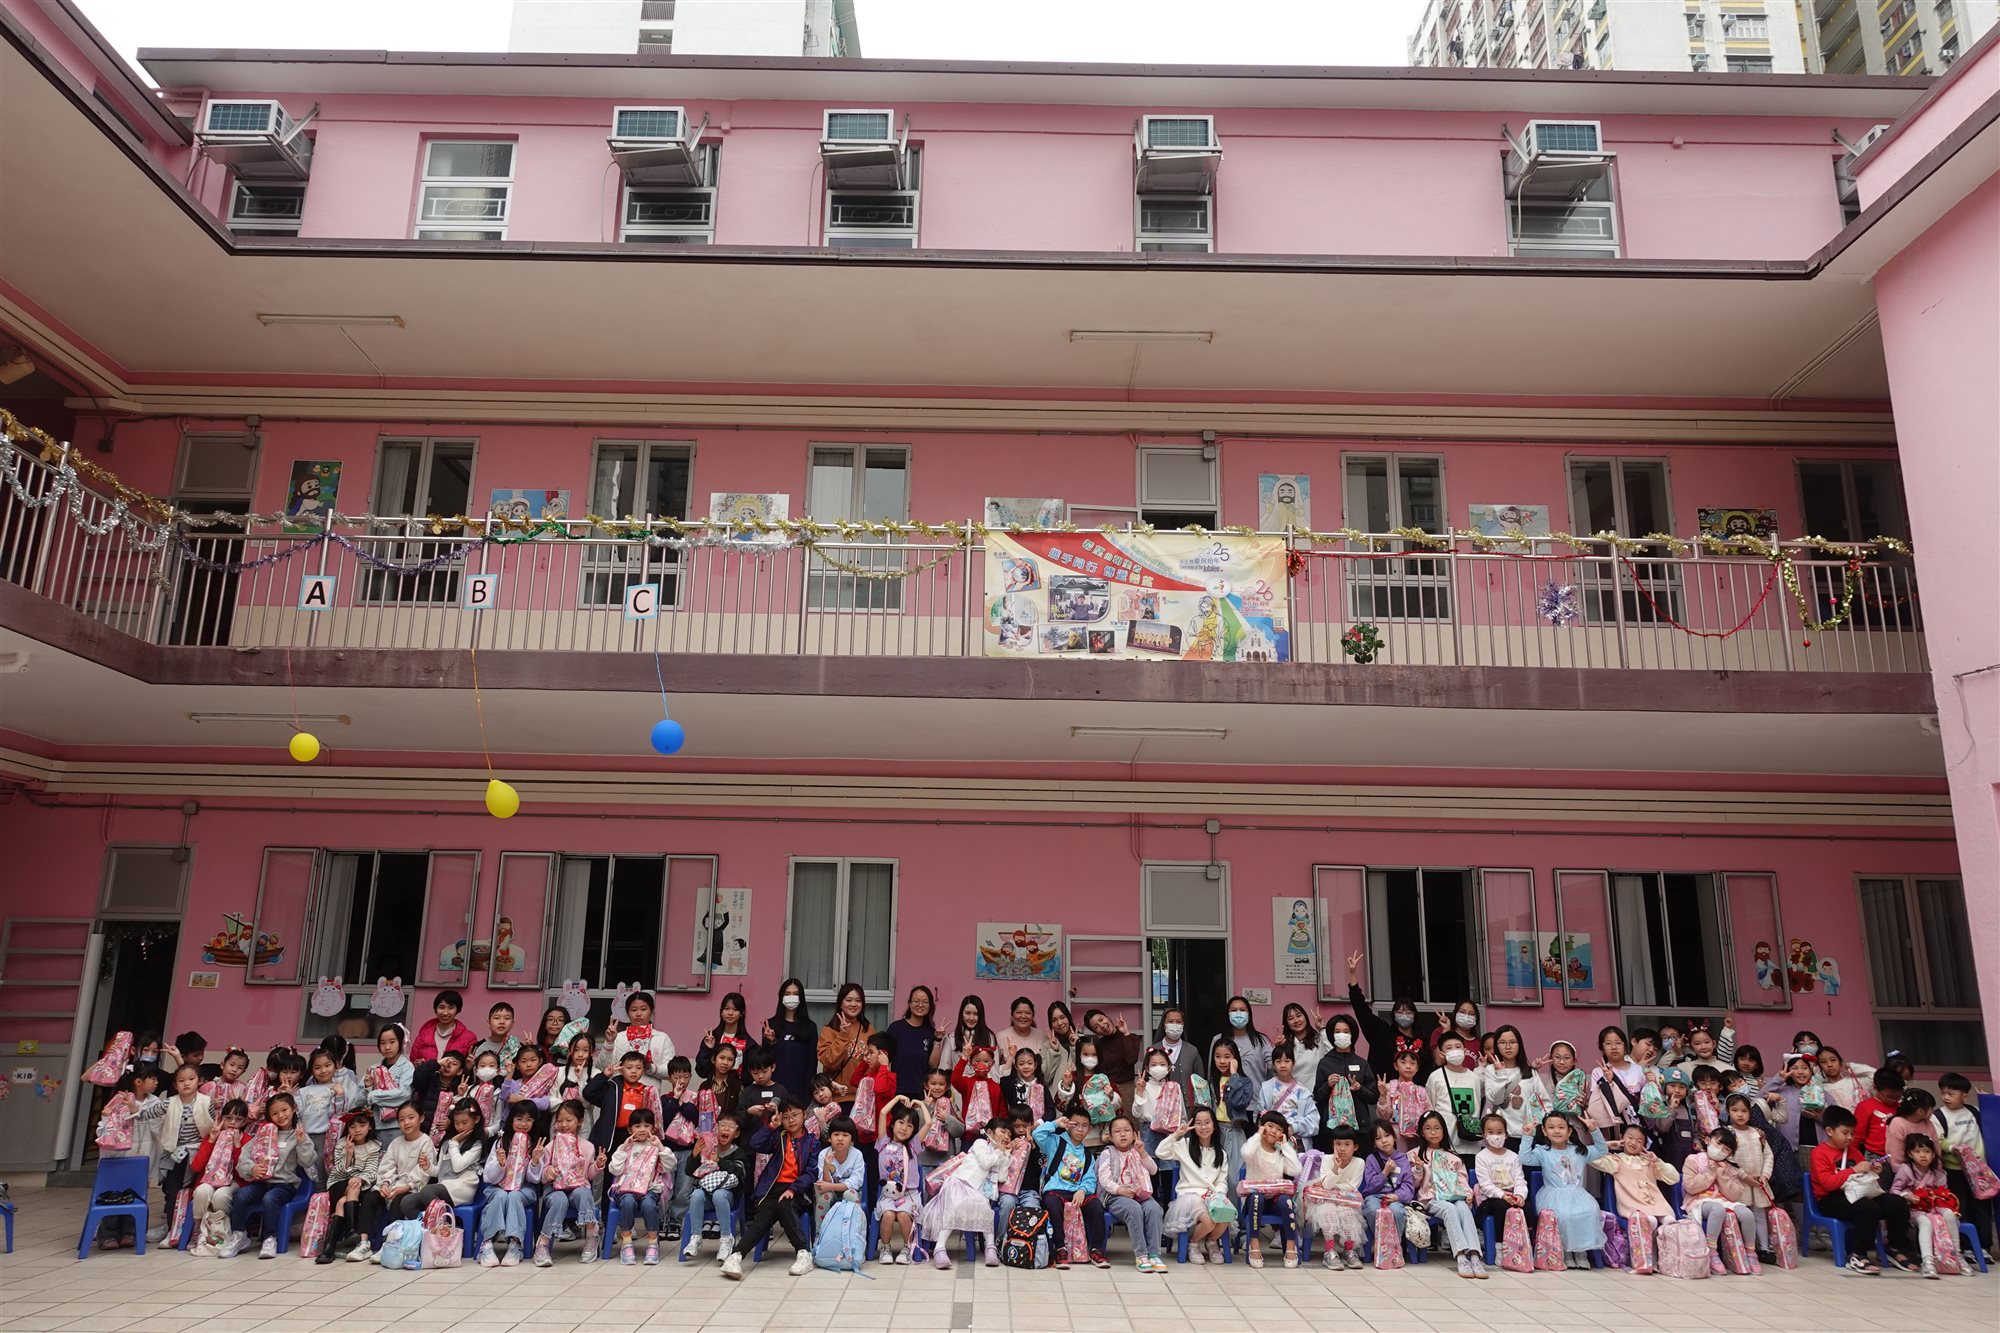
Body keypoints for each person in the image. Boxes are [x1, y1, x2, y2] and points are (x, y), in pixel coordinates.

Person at [1810, 1105, 1917, 1274]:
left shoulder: (1854, 1152)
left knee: (1897, 1203)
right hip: (1830, 1199)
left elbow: (1866, 1182)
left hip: (1858, 1194)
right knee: (1868, 1207)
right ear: (1829, 1131)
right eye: (1845, 1133)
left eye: (1852, 1133)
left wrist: (1874, 1172)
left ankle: (1894, 1247)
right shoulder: (1819, 1153)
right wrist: (1853, 1170)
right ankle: (1857, 1254)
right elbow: (1827, 1183)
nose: (1850, 1137)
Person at [726, 1098, 819, 1279]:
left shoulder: (812, 1142)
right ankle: (736, 1256)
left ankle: (803, 1253)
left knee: (785, 1205)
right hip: (772, 1189)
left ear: (804, 1115)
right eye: (786, 1117)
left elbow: (811, 1172)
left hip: (798, 1190)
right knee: (762, 1218)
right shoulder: (779, 1137)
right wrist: (771, 1126)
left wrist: (793, 1189)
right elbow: (755, 1144)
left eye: (795, 1115)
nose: (791, 1120)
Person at [217, 1091, 316, 1259]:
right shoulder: (264, 1133)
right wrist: (252, 1169)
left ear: (294, 1109)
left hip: (284, 1184)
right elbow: (244, 1158)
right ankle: (239, 1235)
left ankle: (270, 1238)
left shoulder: (299, 1134)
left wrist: (301, 1142)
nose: (281, 1116)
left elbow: (307, 1161)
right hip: (261, 1183)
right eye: (275, 1113)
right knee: (241, 1195)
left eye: (284, 1110)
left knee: (270, 1199)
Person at [1517, 1109, 1610, 1269]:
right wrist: (1527, 1136)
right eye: (1551, 1127)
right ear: (1544, 1131)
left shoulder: (1579, 1150)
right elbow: (1524, 1159)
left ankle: (1581, 1252)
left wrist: (1594, 1130)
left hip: (1577, 1195)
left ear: (1569, 1131)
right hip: (1553, 1195)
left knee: (1589, 1211)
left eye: (1561, 1127)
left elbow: (1602, 1150)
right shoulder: (1542, 1151)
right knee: (1563, 1215)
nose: (1557, 1131)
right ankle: (1565, 1251)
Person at [922, 1116, 1012, 1269]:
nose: (1006, 1137)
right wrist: (999, 1152)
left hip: (979, 1192)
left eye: (1009, 1134)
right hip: (960, 1183)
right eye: (1003, 1132)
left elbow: (1002, 1177)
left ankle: (990, 1249)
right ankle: (939, 1248)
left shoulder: (1000, 1153)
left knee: (986, 1210)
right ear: (990, 1132)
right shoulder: (980, 1143)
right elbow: (986, 1162)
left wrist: (1006, 1156)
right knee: (955, 1208)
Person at [92, 1065, 164, 1248]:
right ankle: (108, 1233)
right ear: (138, 1082)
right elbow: (106, 1129)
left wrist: (137, 1111)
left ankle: (130, 1232)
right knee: (114, 1194)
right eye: (152, 1078)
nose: (156, 1082)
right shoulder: (119, 1100)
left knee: (136, 1195)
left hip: (143, 1158)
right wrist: (107, 1117)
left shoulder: (155, 1102)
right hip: (118, 1159)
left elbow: (159, 1129)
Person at [351, 1103, 432, 1262]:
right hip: (393, 1186)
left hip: (413, 1188)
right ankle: (364, 1243)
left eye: (411, 1118)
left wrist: (406, 1187)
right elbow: (387, 1165)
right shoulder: (396, 1143)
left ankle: (390, 1244)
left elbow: (423, 1172)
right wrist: (385, 1184)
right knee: (369, 1198)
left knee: (399, 1202)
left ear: (421, 1118)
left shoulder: (425, 1142)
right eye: (401, 1119)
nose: (406, 1123)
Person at [533, 1099, 607, 1266]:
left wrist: (598, 1165)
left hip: (577, 1188)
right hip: (555, 1190)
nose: (564, 1125)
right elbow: (542, 1177)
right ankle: (543, 1243)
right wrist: (548, 1172)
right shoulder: (550, 1147)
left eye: (569, 1120)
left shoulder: (587, 1147)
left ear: (579, 1122)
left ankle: (591, 1234)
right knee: (560, 1200)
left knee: (582, 1192)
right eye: (560, 1121)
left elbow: (588, 1175)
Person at [1341, 950, 1435, 1079]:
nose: (1404, 1016)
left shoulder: (1423, 1040)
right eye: (1400, 1012)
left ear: (1415, 1015)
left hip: (1416, 1090)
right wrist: (1352, 975)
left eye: (1408, 1012)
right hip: (1383, 1088)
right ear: (1393, 1015)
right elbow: (1362, 1010)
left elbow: (1431, 1068)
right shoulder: (1382, 1033)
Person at [1034, 1110, 1109, 1270]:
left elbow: (1090, 1179)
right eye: (1075, 1125)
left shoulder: (1088, 1156)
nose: (1080, 1129)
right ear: (1068, 1125)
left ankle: (1096, 1250)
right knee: (1052, 1204)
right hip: (1055, 1190)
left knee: (1096, 1205)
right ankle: (1060, 1249)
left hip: (1077, 1193)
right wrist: (1056, 1124)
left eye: (1084, 1126)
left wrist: (1082, 1190)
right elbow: (1037, 1134)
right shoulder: (1055, 1142)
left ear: (1089, 1129)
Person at [1158, 1107, 1232, 1264]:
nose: (1203, 1127)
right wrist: (1176, 1135)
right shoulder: (1185, 1145)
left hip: (1212, 1195)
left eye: (1207, 1122)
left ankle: (1211, 1242)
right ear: (1193, 1126)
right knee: (1208, 1221)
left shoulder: (1221, 1153)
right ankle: (1193, 1243)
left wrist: (1219, 1194)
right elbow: (1160, 1152)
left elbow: (1221, 1180)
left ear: (1214, 1125)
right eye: (1198, 1123)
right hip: (1189, 1196)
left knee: (1225, 1217)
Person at [1683, 1127, 1761, 1274]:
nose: (1720, 1150)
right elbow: (1690, 1187)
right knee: (1717, 1210)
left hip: (1724, 1201)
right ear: (1708, 1140)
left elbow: (1735, 1195)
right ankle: (1712, 1252)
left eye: (1726, 1149)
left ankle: (1751, 1252)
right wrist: (1710, 1174)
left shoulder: (1729, 1168)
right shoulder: (1693, 1160)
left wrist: (1721, 1176)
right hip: (1699, 1201)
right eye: (1718, 1144)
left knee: (1747, 1214)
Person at [476, 1101, 543, 1267]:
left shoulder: (536, 1145)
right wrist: (500, 1164)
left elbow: (535, 1179)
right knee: (500, 1195)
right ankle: (487, 1244)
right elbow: (488, 1177)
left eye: (528, 1120)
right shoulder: (501, 1143)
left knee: (513, 1196)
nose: (523, 1124)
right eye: (519, 1119)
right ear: (511, 1119)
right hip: (497, 1187)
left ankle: (515, 1244)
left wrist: (534, 1162)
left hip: (524, 1189)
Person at [1097, 1114, 1166, 1272]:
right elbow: (1104, 1180)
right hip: (1115, 1196)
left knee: (1154, 1208)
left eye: (1127, 1130)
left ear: (1134, 1134)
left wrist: (1142, 1153)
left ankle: (1154, 1254)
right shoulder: (1108, 1153)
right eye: (1117, 1131)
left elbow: (1154, 1170)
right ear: (1110, 1136)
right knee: (1133, 1209)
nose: (1122, 1134)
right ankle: (1141, 1255)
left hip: (1140, 1194)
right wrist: (1122, 1191)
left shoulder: (1138, 1151)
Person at [1935, 1072, 1992, 1262]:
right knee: (1961, 1208)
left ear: (1965, 1095)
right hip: (1955, 1170)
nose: (1946, 1097)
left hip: (1978, 1171)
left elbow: (1991, 1123)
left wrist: (1986, 1100)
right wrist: (1951, 1147)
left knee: (1982, 1207)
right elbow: (1938, 1140)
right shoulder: (1939, 1116)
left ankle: (1984, 1247)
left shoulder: (1974, 1112)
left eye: (1951, 1094)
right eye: (1943, 1093)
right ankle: (1967, 1248)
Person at [155, 1062, 214, 1244]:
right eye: (181, 1080)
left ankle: (195, 1232)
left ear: (200, 1081)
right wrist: (134, 1109)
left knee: (196, 1192)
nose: (186, 1083)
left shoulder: (206, 1102)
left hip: (199, 1153)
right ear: (175, 1085)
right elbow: (148, 1113)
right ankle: (173, 1231)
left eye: (191, 1079)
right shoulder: (169, 1102)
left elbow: (214, 1124)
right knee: (173, 1192)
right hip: (175, 1153)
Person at [682, 1109, 749, 1265]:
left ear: (737, 1134)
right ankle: (696, 1237)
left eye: (731, 1126)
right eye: (722, 1125)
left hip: (727, 1197)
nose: (725, 1129)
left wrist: (720, 1161)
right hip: (706, 1197)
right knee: (696, 1194)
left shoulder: (738, 1152)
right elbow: (690, 1172)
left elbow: (740, 1173)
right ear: (716, 1129)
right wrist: (695, 1154)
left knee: (719, 1194)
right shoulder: (708, 1148)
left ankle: (726, 1238)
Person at [607, 1107, 673, 1265]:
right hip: (626, 1190)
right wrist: (623, 1149)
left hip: (649, 1189)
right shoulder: (625, 1148)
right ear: (630, 1129)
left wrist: (660, 1147)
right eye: (637, 1126)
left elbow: (669, 1166)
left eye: (647, 1125)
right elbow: (614, 1169)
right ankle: (627, 1242)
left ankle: (652, 1243)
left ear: (653, 1128)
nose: (642, 1129)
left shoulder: (657, 1148)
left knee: (649, 1204)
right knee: (628, 1201)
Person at [317, 1112, 384, 1264]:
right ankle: (351, 1231)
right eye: (353, 1127)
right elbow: (338, 1172)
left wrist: (360, 1178)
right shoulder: (342, 1143)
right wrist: (348, 1154)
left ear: (370, 1126)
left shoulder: (374, 1146)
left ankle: (329, 1248)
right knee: (351, 1187)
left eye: (362, 1125)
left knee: (343, 1202)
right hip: (338, 1183)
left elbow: (372, 1171)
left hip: (361, 1185)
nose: (357, 1130)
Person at [1893, 1133, 1962, 1279]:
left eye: (1927, 1151)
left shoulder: (1938, 1173)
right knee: (1925, 1222)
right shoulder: (1906, 1170)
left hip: (1934, 1207)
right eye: (1917, 1151)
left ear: (1933, 1154)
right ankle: (1928, 1260)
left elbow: (1944, 1194)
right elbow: (1895, 1190)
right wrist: (1907, 1196)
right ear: (1910, 1154)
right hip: (1914, 1209)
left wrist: (1938, 1197)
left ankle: (1957, 1255)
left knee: (1949, 1214)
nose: (1923, 1155)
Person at [1241, 1110, 1303, 1269]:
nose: (1273, 1131)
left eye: (1279, 1129)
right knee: (1256, 1198)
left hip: (1275, 1200)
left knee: (1286, 1201)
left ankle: (1290, 1246)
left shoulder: (1281, 1152)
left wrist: (1285, 1146)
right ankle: (1254, 1245)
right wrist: (1258, 1135)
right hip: (1255, 1201)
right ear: (1262, 1126)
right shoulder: (1254, 1149)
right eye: (1270, 1126)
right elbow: (1246, 1153)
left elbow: (1296, 1170)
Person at [1302, 1123, 1368, 1271]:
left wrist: (1335, 1187)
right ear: (1333, 1145)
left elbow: (1353, 1187)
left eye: (1347, 1144)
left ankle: (1349, 1251)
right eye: (1338, 1144)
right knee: (1328, 1211)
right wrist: (1335, 1168)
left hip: (1346, 1200)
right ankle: (1329, 1251)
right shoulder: (1327, 1159)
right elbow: (1326, 1186)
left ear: (1355, 1147)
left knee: (1348, 1213)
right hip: (1325, 1199)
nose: (1342, 1148)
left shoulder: (1359, 1162)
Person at [1595, 1122, 1680, 1230]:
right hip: (1632, 1206)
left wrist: (1657, 1161)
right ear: (1622, 1137)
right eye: (1630, 1138)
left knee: (1670, 1221)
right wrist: (1607, 1145)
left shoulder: (1650, 1162)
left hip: (1657, 1205)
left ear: (1644, 1146)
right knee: (1650, 1220)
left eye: (1639, 1141)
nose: (1633, 1143)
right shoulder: (1615, 1160)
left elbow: (1674, 1178)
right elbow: (1588, 1156)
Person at [1723, 1092, 1778, 1254]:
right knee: (1742, 1215)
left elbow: (1768, 1155)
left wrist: (1765, 1175)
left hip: (1759, 1183)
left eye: (1744, 1111)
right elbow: (1727, 1159)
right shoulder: (1727, 1133)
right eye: (1735, 1110)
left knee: (1760, 1215)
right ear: (1727, 1112)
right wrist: (1744, 1176)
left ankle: (1763, 1248)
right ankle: (1745, 1249)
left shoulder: (1758, 1133)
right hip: (1739, 1183)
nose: (1740, 1114)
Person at [873, 1100, 924, 1264]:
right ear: (892, 1123)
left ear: (913, 1131)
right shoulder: (883, 1143)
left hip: (909, 1195)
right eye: (901, 1122)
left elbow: (929, 1123)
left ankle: (907, 1248)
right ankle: (885, 1248)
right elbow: (882, 1113)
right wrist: (897, 1098)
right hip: (888, 1195)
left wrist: (921, 1104)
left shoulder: (913, 1146)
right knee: (888, 1215)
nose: (904, 1128)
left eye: (910, 1125)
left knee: (903, 1214)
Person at [1315, 1013, 1377, 1147]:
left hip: (1359, 1127)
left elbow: (1373, 1097)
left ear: (1352, 1035)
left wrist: (1359, 1088)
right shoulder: (1325, 1063)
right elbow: (1317, 1096)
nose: (1341, 1035)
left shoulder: (1362, 1063)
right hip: (1332, 1128)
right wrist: (1328, 1085)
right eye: (1337, 1032)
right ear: (1331, 1035)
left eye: (1346, 1031)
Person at [1470, 1112, 1528, 1253]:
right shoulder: (1481, 1157)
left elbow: (1520, 1179)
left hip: (1512, 1196)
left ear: (1506, 1134)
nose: (1495, 1136)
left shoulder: (1514, 1157)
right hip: (1491, 1200)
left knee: (1529, 1210)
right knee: (1501, 1207)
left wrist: (1520, 1195)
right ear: (1483, 1135)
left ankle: (1524, 1246)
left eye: (1499, 1132)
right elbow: (1485, 1185)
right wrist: (1502, 1195)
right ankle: (1500, 1246)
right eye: (1490, 1132)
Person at [297, 1046, 363, 1166]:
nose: (323, 1070)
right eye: (317, 1067)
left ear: (335, 1066)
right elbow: (297, 1113)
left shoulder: (339, 1089)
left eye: (327, 1065)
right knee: (305, 1168)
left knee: (323, 1168)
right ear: (312, 1070)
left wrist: (340, 1096)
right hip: (305, 1136)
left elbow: (338, 1115)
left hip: (327, 1137)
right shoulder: (303, 1091)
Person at [1425, 1032, 1483, 1162]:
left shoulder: (1474, 1078)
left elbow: (1478, 1104)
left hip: (1471, 1143)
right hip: (1446, 1144)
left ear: (1465, 1050)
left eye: (1458, 1046)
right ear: (1442, 1054)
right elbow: (1431, 1107)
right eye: (1449, 1048)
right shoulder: (1435, 1077)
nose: (1454, 1050)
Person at [1361, 1118, 1417, 1252]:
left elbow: (1408, 1185)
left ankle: (1394, 1245)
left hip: (1395, 1197)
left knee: (1397, 1211)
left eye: (1387, 1135)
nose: (1384, 1141)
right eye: (1378, 1138)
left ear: (1394, 1137)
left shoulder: (1403, 1159)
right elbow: (1370, 1186)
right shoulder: (1371, 1159)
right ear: (1374, 1143)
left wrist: (1397, 1196)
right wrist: (1385, 1172)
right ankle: (1380, 1241)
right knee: (1372, 1210)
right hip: (1375, 1196)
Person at [817, 983, 875, 1103]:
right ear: (840, 1003)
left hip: (864, 1098)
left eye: (858, 1001)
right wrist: (843, 1036)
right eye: (848, 1000)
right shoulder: (829, 1030)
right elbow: (829, 1062)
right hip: (837, 1098)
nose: (853, 1004)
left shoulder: (868, 1029)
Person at [607, 990, 676, 1091]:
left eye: (643, 1009)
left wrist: (650, 1068)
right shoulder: (618, 1038)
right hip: (621, 1094)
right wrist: (609, 1042)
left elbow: (671, 1071)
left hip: (649, 1095)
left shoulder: (662, 1038)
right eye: (634, 1010)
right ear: (627, 1013)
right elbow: (603, 1067)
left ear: (651, 1011)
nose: (638, 1014)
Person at [1586, 1025, 1651, 1132]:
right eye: (1608, 1043)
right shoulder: (1598, 1072)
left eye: (1618, 1043)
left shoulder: (1639, 1070)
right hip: (1613, 1128)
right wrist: (1608, 1082)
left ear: (1625, 1046)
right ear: (1602, 1048)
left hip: (1638, 1126)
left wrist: (1653, 1082)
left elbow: (1648, 1100)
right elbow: (1598, 1103)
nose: (1614, 1047)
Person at [1478, 1025, 1533, 1146]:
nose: (1508, 1047)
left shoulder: (1530, 1071)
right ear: (1497, 1046)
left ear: (1519, 1045)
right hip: (1500, 1135)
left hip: (1527, 1135)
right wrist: (1501, 1074)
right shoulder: (1490, 1070)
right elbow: (1495, 1099)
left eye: (1512, 1042)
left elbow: (1544, 1102)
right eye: (1502, 1042)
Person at [762, 978, 817, 1100]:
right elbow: (764, 1059)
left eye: (795, 994)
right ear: (781, 997)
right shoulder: (770, 1026)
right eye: (787, 994)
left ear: (801, 997)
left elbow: (812, 1062)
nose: (791, 997)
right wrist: (771, 1041)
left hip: (802, 1087)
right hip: (775, 1086)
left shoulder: (810, 1027)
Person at [1210, 1038, 1256, 1180]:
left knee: (1234, 1177)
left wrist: (1234, 1075)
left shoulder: (1244, 1082)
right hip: (1214, 1131)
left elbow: (1238, 1102)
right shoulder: (1211, 1081)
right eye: (1218, 1056)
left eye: (1227, 1056)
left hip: (1234, 1131)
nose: (1222, 1061)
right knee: (1214, 1175)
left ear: (1235, 1059)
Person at [1260, 1040, 1321, 1145]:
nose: (1283, 1065)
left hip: (1297, 1142)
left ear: (1293, 1063)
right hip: (1271, 1141)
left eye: (1287, 1061)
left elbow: (1314, 1122)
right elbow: (1258, 1116)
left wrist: (1294, 1127)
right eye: (1278, 1061)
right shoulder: (1266, 1088)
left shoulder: (1303, 1092)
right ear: (1273, 1064)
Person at [813, 1113, 866, 1232]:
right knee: (824, 1197)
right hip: (830, 1193)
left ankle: (854, 1234)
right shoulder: (824, 1154)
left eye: (845, 1135)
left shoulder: (857, 1155)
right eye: (836, 1134)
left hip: (850, 1191)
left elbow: (855, 1182)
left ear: (852, 1139)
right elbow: (823, 1184)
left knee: (850, 1194)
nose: (840, 1138)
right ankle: (820, 1235)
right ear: (829, 1138)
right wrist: (826, 1168)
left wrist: (831, 1186)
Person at [366, 1023, 415, 1139]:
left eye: (392, 1042)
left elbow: (404, 1095)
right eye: (383, 1043)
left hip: (398, 1124)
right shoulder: (373, 1068)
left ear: (401, 1042)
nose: (387, 1047)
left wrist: (373, 1096)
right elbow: (360, 1100)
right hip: (374, 1124)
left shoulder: (407, 1067)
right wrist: (367, 1087)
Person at [410, 989, 477, 1065]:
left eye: (451, 1008)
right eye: (441, 1007)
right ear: (435, 1009)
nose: (445, 1013)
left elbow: (471, 1066)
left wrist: (468, 1067)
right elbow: (412, 1063)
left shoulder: (469, 1038)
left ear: (457, 1010)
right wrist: (418, 1065)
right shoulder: (423, 1035)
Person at [695, 991, 752, 1079]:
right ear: (721, 1012)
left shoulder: (749, 1043)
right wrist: (708, 1049)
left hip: (738, 1087)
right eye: (726, 1009)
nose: (730, 1013)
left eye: (735, 1010)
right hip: (713, 1086)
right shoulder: (712, 1038)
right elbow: (701, 1072)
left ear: (741, 1013)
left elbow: (750, 1075)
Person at [1278, 1003, 1328, 1097]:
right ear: (1286, 1023)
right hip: (1291, 1097)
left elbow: (1333, 1055)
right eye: (1290, 1018)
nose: (1296, 1020)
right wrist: (1277, 1049)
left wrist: (1321, 1028)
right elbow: (1274, 1070)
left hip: (1317, 1096)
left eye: (1298, 1016)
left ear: (1305, 1017)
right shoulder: (1284, 1043)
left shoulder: (1319, 1039)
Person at [1854, 1068, 1905, 1159]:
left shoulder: (1901, 1107)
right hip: (1875, 1155)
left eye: (1898, 1097)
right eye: (1889, 1097)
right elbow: (1857, 1136)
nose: (1894, 1100)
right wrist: (1853, 1158)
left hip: (1898, 1153)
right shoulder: (1865, 1107)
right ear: (1875, 1088)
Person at [1224, 996, 1274, 1086]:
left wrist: (1279, 1050)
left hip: (1257, 1094)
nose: (1238, 1013)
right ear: (1228, 1015)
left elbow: (1274, 1068)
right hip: (1227, 1094)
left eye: (1242, 1010)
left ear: (1249, 1015)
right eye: (1234, 1010)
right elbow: (1212, 1073)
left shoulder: (1261, 1040)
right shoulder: (1219, 1039)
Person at [1000, 1046, 1052, 1124]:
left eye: (1030, 1063)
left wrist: (1039, 1123)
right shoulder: (1013, 1085)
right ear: (1016, 1066)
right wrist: (1011, 1056)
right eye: (1021, 1064)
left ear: (1035, 1065)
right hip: (1017, 1128)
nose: (1026, 1067)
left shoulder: (1041, 1085)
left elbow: (1051, 1111)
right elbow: (1004, 1079)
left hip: (1039, 1127)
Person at [948, 996, 998, 1068]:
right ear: (961, 1014)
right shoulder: (950, 1038)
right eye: (968, 1013)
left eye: (976, 1014)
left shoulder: (989, 1036)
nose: (971, 1018)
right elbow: (944, 1069)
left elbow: (994, 1069)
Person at [1042, 1001, 1079, 1093]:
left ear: (1068, 1017)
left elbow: (1087, 1071)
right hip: (1056, 1098)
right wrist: (1054, 1052)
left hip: (1080, 1096)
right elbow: (1045, 1079)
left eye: (1062, 1017)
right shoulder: (1047, 1046)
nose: (1059, 1023)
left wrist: (1076, 1046)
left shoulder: (1083, 1041)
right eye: (1054, 1020)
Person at [997, 996, 1042, 1068]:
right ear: (1012, 1015)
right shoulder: (1000, 1037)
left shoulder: (1042, 1036)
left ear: (1033, 1015)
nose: (1023, 1016)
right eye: (1019, 1012)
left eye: (1028, 1013)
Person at [474, 1002, 523, 1068]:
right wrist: (468, 1067)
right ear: (489, 1023)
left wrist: (530, 1049)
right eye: (497, 1018)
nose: (502, 1022)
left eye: (507, 1018)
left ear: (512, 1024)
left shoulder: (518, 1047)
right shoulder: (477, 1047)